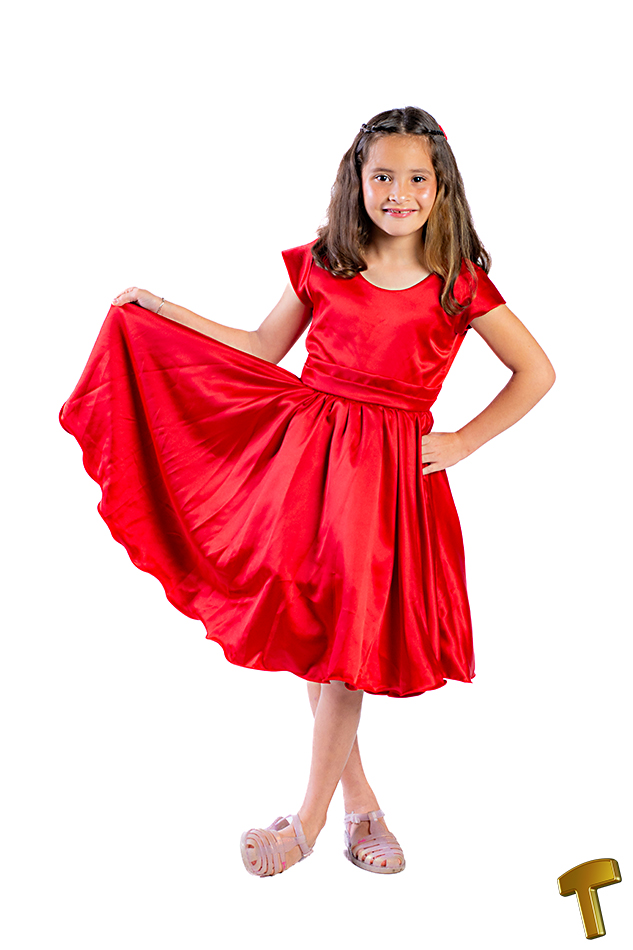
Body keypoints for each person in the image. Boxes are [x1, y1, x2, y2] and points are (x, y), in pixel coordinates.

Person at [60, 106, 555, 878]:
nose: (397, 193)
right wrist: (163, 310)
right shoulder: (326, 262)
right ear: (356, 180)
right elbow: (262, 347)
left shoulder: (458, 284)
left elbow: (537, 371)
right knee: (315, 631)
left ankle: (307, 823)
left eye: (415, 179)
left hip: (386, 483)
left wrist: (461, 441)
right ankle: (363, 808)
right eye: (381, 176)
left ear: (441, 188)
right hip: (306, 463)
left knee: (347, 651)